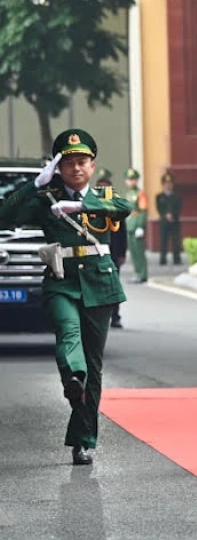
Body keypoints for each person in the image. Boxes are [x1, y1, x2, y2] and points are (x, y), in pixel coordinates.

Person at [0, 129, 131, 465]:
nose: (76, 168)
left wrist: (82, 203)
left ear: (92, 164)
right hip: (61, 280)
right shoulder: (47, 199)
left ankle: (83, 440)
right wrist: (35, 184)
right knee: (69, 335)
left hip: (99, 285)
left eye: (82, 162)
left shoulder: (106, 196)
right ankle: (75, 376)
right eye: (68, 162)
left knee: (95, 367)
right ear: (58, 167)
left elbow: (124, 207)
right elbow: (5, 215)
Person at [95, 169, 128, 328]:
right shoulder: (90, 207)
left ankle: (115, 316)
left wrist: (122, 253)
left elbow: (122, 233)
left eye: (106, 188)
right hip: (95, 254)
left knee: (113, 287)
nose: (103, 191)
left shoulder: (117, 207)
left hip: (113, 254)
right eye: (100, 188)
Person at [124, 168, 148, 283]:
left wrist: (140, 226)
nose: (130, 182)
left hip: (137, 224)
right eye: (129, 179)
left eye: (133, 179)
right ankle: (137, 272)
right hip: (130, 224)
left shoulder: (140, 193)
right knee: (133, 252)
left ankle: (142, 274)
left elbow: (143, 211)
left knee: (139, 251)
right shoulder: (128, 194)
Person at [156, 171, 183, 266]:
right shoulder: (159, 197)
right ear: (163, 185)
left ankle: (177, 258)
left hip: (175, 221)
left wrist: (173, 215)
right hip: (164, 222)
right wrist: (165, 215)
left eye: (170, 183)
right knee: (163, 240)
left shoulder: (176, 196)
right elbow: (159, 208)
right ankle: (163, 258)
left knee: (176, 241)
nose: (168, 185)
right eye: (166, 184)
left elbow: (179, 208)